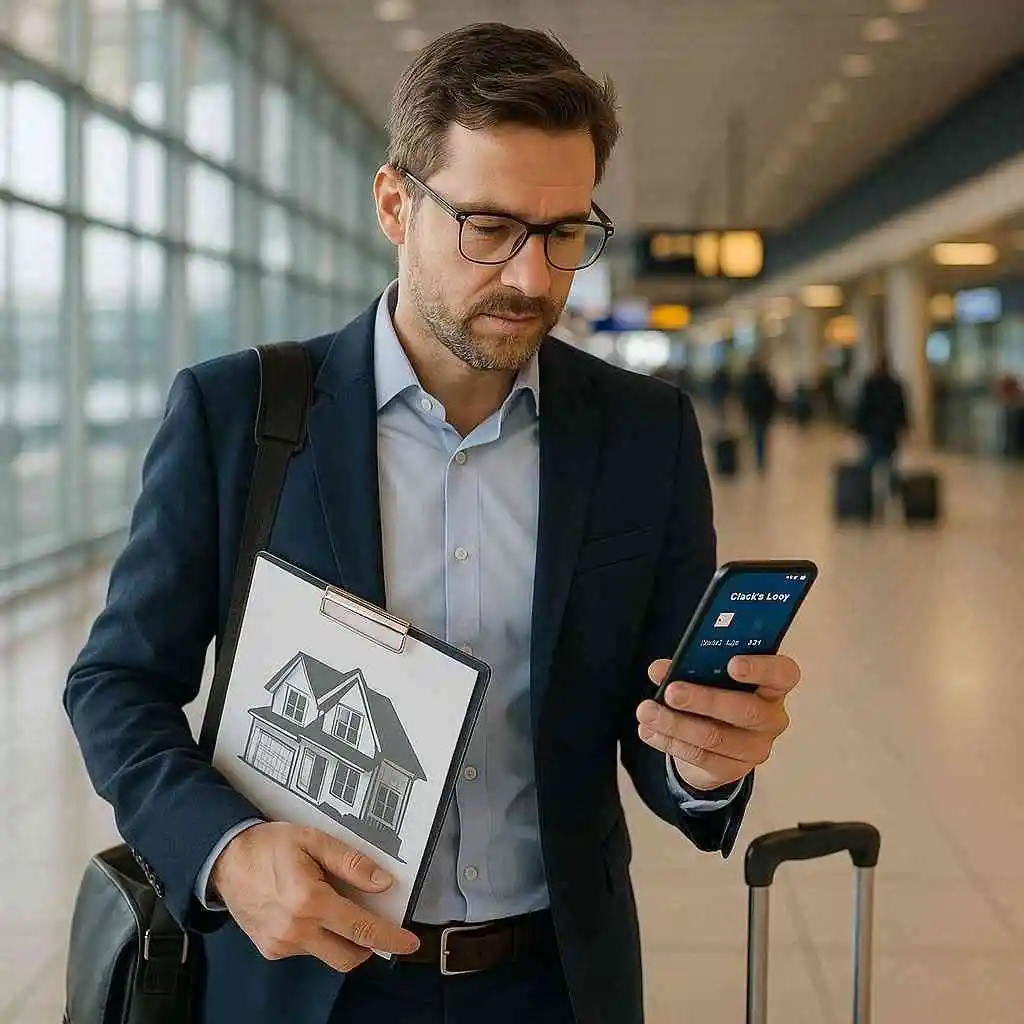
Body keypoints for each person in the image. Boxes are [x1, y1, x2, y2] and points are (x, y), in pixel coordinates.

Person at [64, 23, 805, 1024]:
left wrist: (701, 761)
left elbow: (655, 712)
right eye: (488, 227)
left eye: (564, 233)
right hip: (302, 982)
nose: (533, 279)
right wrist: (226, 851)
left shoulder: (642, 433)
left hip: (552, 984)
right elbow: (116, 683)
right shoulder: (241, 414)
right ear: (394, 204)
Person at [853, 351, 910, 499]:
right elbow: (901, 408)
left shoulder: (870, 384)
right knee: (890, 462)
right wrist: (904, 426)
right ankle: (894, 492)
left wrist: (859, 427)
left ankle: (865, 493)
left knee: (870, 462)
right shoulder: (895, 385)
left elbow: (863, 407)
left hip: (873, 430)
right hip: (890, 431)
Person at [739, 349, 778, 472]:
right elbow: (771, 397)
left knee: (754, 435)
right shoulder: (765, 380)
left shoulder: (747, 381)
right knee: (760, 436)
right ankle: (760, 459)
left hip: (753, 413)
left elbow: (744, 397)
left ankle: (756, 457)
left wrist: (745, 410)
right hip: (763, 413)